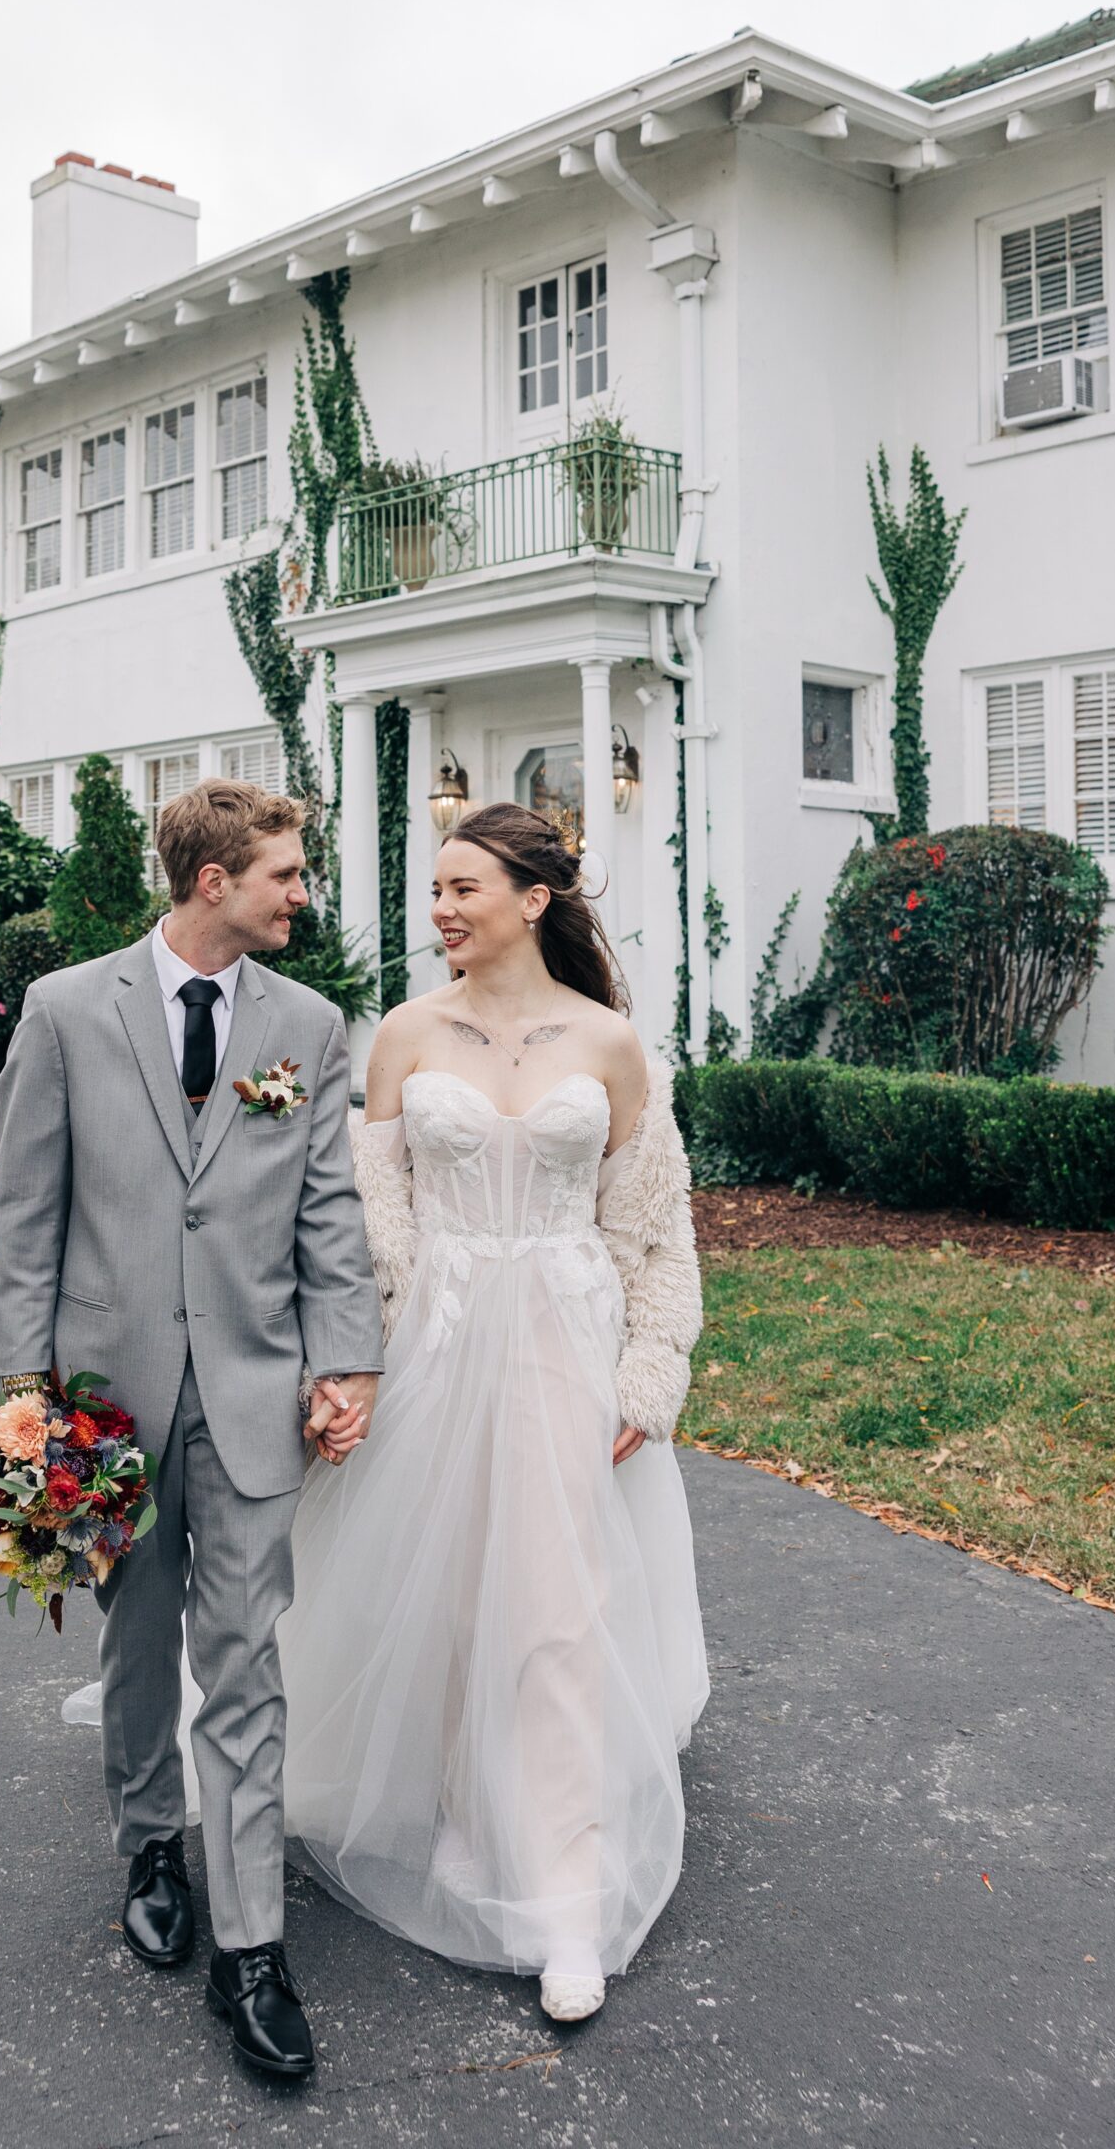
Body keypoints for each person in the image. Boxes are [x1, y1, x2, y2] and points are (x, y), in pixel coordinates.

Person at [279, 802, 709, 2024]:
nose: (442, 910)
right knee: (463, 1594)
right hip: (440, 1337)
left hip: (570, 1344)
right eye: (436, 891)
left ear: (535, 898)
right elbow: (368, 1233)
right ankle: (470, 1815)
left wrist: (650, 1370)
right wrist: (352, 1363)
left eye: (465, 886)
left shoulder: (613, 1043)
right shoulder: (405, 1038)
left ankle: (569, 1891)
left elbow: (658, 1230)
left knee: (560, 1607)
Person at [0, 779, 384, 2083]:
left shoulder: (306, 1028)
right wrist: (23, 1388)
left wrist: (345, 1359)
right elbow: (23, 1215)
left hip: (258, 1390)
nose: (302, 891)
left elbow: (327, 1211)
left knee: (244, 1654)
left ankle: (252, 1947)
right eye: (285, 872)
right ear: (212, 881)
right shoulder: (62, 1013)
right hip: (105, 1395)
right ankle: (151, 1839)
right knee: (137, 1634)